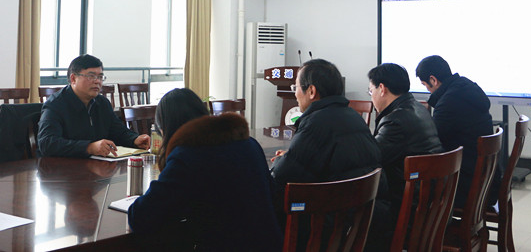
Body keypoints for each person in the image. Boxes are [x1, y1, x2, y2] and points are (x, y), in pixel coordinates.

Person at [128, 88, 282, 252]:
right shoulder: (250, 144)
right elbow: (272, 195)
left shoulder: (186, 157)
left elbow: (141, 217)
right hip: (270, 244)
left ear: (165, 128)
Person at [271, 59, 382, 250]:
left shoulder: (316, 122)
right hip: (362, 226)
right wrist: (291, 156)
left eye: (296, 87)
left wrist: (280, 161)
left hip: (330, 232)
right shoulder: (353, 117)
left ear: (311, 91)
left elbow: (280, 177)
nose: (295, 94)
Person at [366, 63, 443, 251]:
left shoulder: (396, 121)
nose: (371, 96)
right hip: (430, 206)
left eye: (371, 91)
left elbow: (370, 158)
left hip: (409, 212)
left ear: (382, 88)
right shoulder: (417, 108)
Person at [416, 54, 499, 209]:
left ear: (433, 80)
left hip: (467, 186)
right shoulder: (467, 86)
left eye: (425, 85)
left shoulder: (448, 103)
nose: (427, 90)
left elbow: (433, 143)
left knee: (415, 190)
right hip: (487, 180)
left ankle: (433, 224)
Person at [38, 54, 150, 157]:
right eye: (91, 76)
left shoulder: (102, 103)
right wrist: (88, 147)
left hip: (97, 165)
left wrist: (134, 139)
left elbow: (118, 131)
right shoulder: (55, 104)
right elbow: (47, 143)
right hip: (62, 168)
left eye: (100, 77)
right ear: (73, 79)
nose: (97, 81)